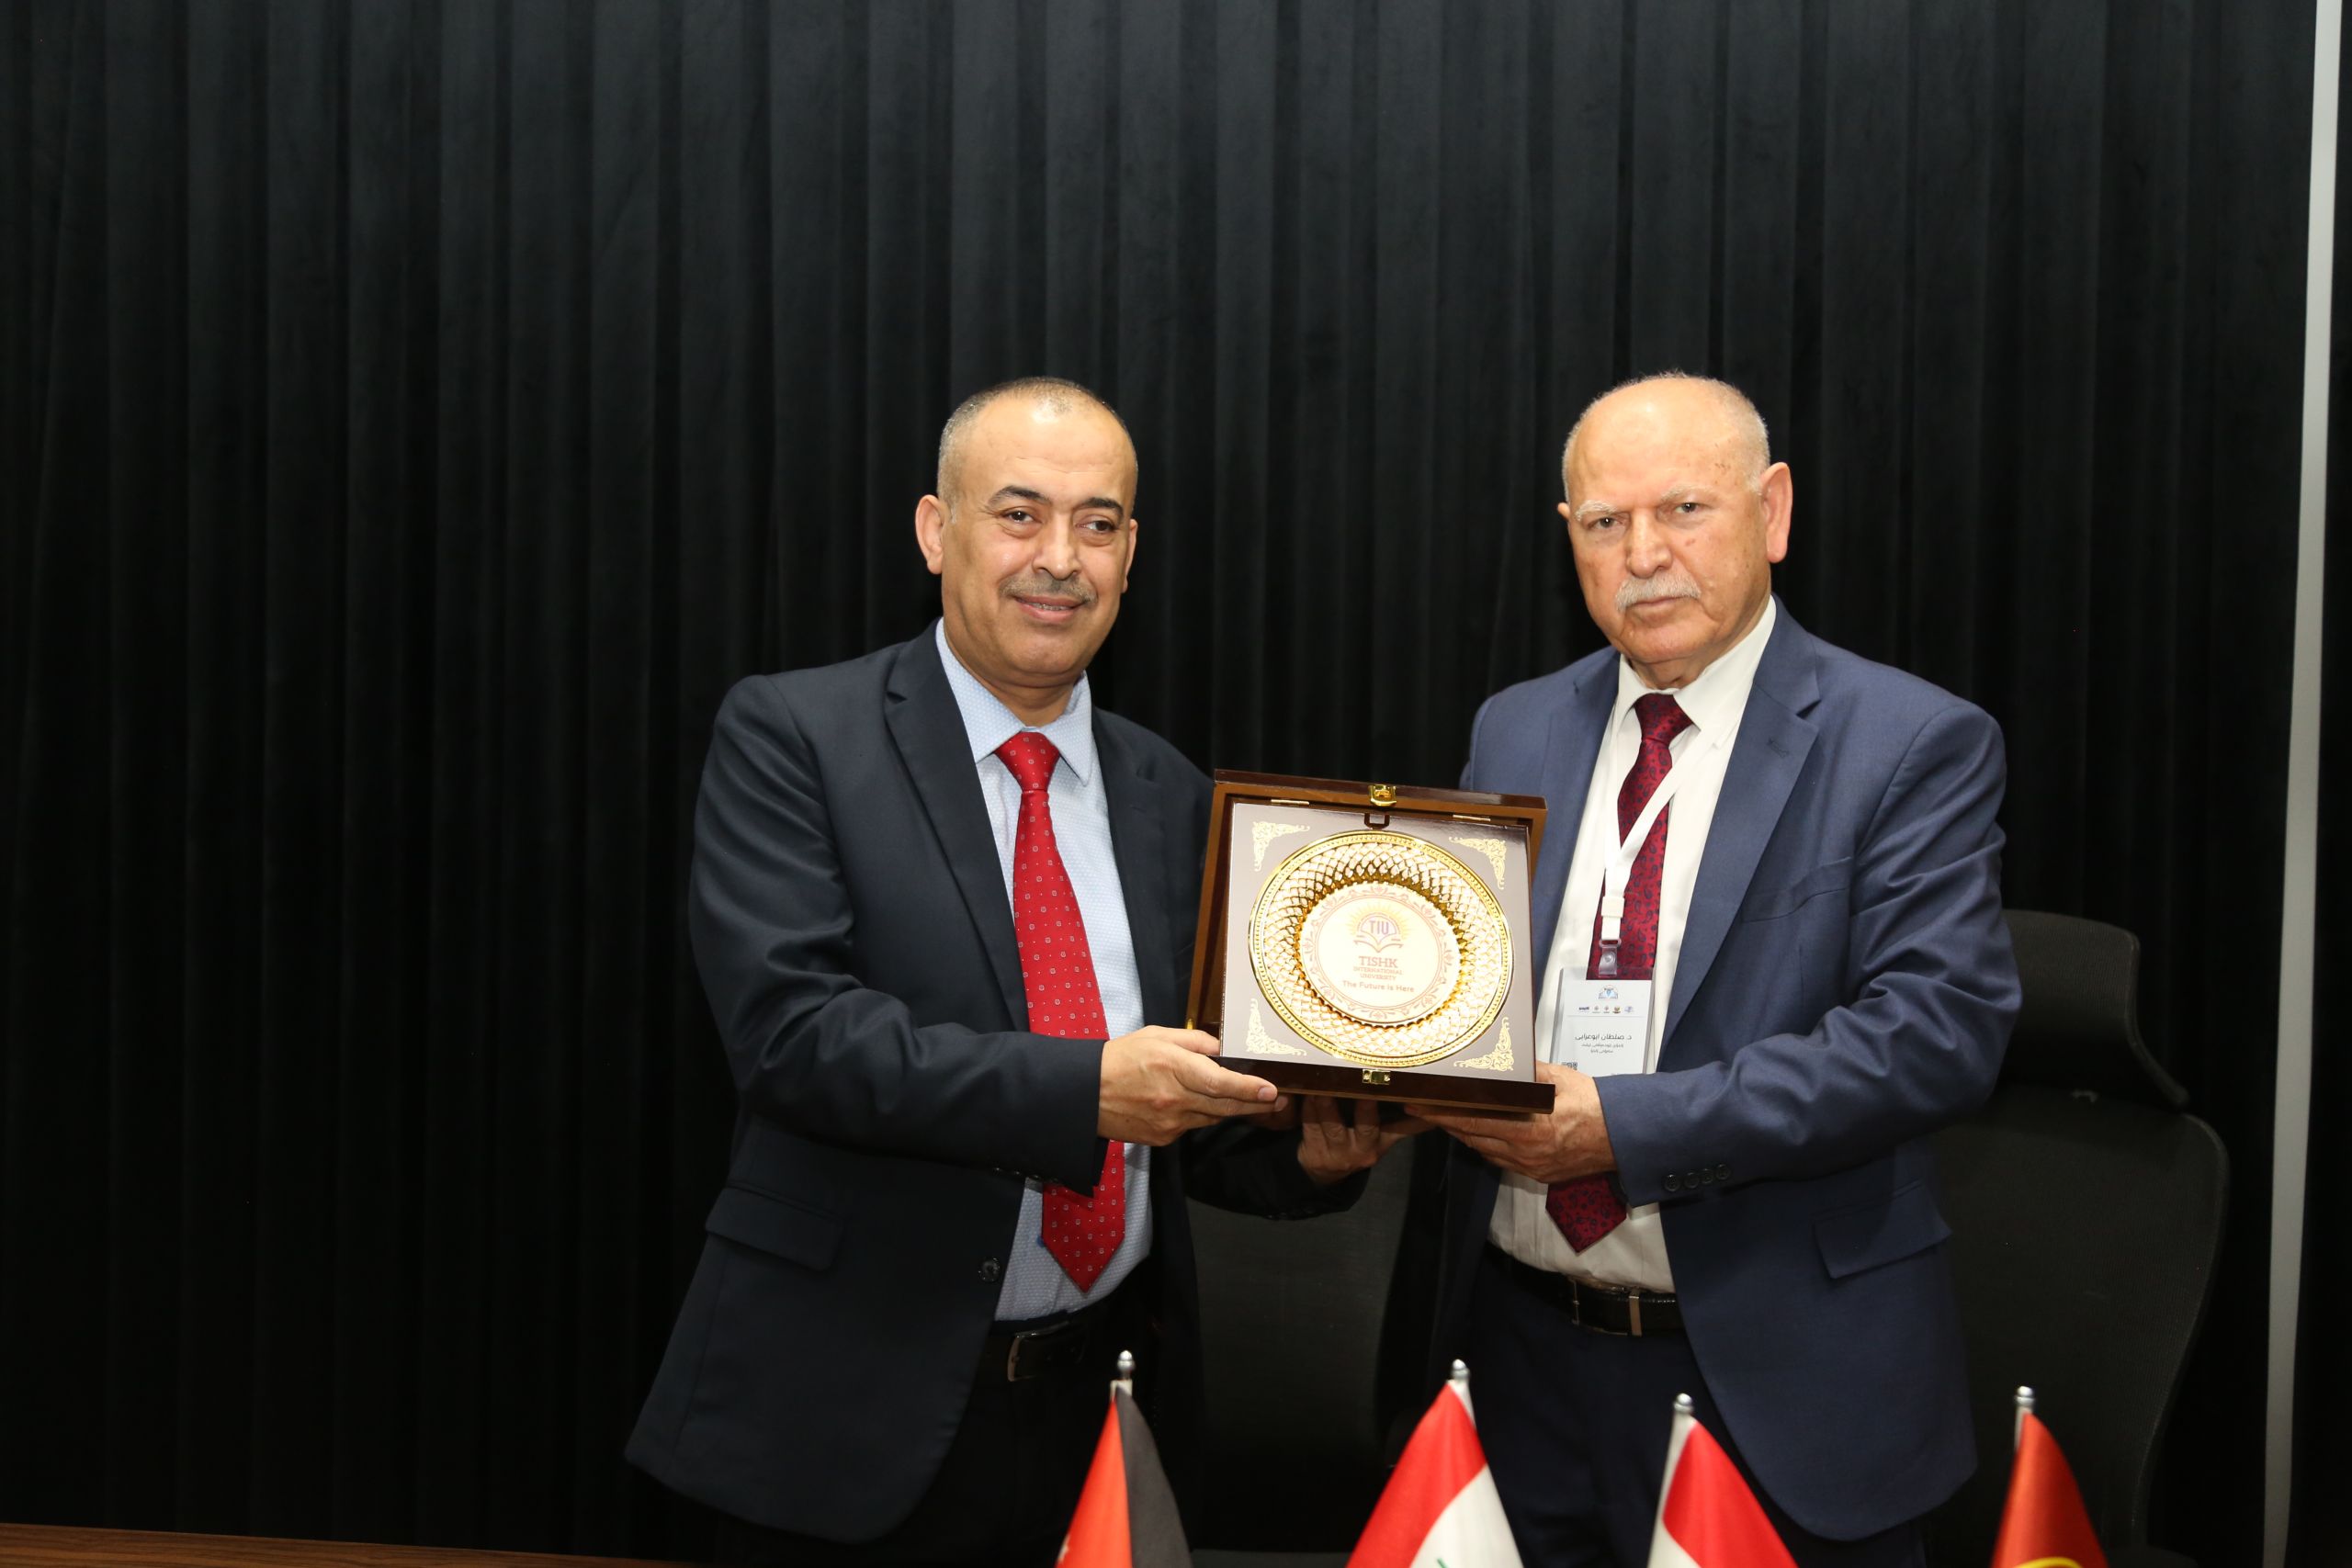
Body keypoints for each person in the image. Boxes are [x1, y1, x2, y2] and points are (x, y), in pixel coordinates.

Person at [628, 378, 1406, 1566]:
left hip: (1101, 1413)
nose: (1059, 559)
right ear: (936, 530)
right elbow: (795, 1040)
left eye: (1098, 524)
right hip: (847, 1412)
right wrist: (1088, 1089)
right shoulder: (796, 736)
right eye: (1019, 514)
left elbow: (1183, 1110)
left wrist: (1310, 1152)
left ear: (1130, 555)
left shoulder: (1172, 794)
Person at [1406, 374, 2019, 1568]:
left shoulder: (1909, 742)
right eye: (1604, 522)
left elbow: (1934, 1035)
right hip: (1515, 1365)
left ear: (1773, 511)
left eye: (1684, 508)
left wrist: (1622, 1130)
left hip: (1778, 1382)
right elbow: (1459, 992)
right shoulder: (1514, 727)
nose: (1644, 555)